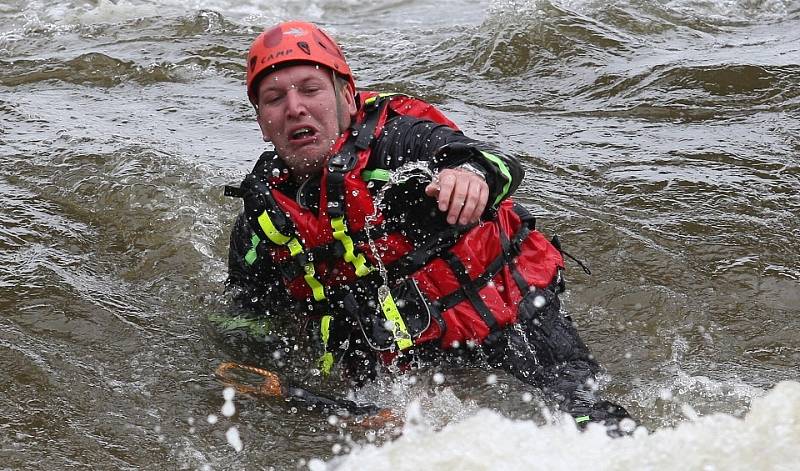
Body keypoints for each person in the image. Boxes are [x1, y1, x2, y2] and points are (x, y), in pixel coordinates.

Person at [223, 20, 632, 434]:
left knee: (587, 419)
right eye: (274, 98)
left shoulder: (401, 141)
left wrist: (471, 176)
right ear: (261, 120)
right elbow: (246, 314)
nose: (294, 108)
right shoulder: (262, 222)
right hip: (404, 355)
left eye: (310, 90)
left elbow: (496, 164)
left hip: (510, 320)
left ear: (347, 98)